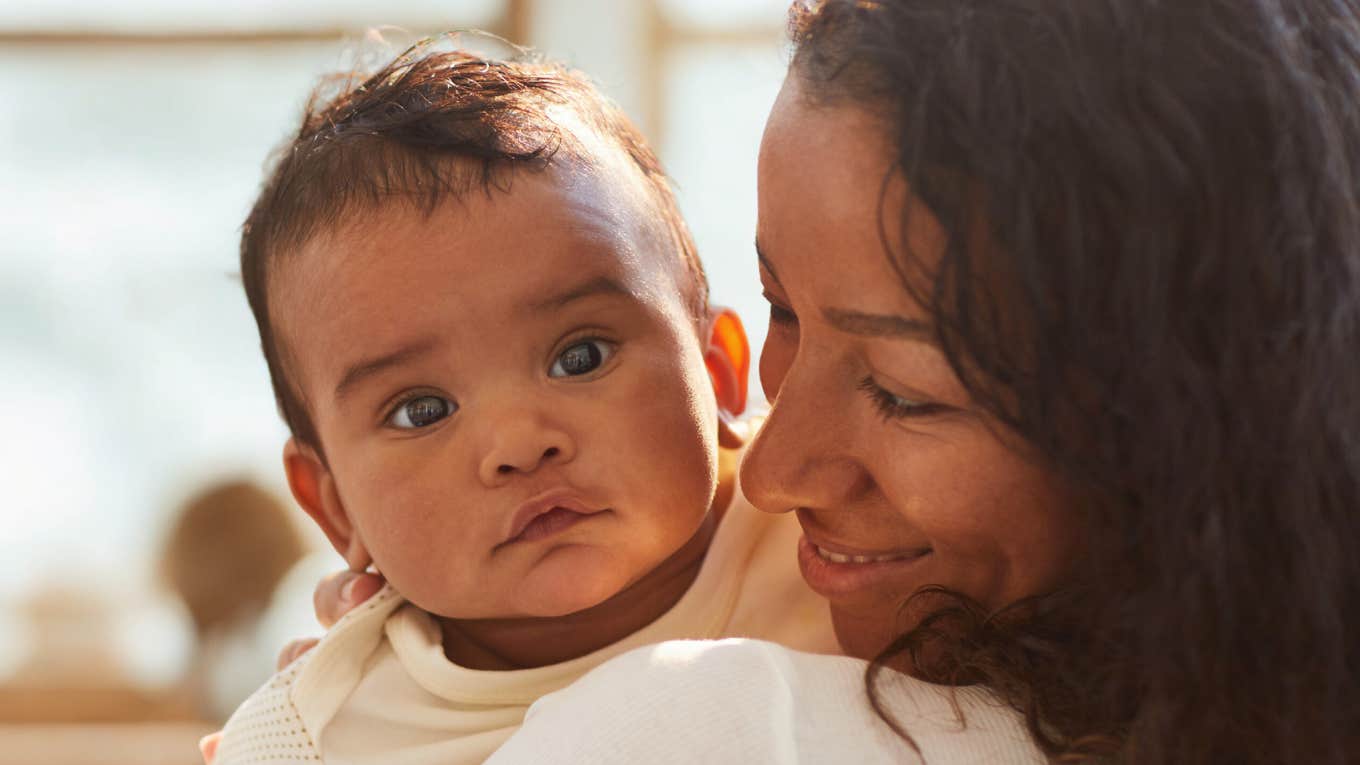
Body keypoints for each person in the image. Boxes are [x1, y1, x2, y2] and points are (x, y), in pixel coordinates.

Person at [280, 1, 1360, 763]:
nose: (768, 471)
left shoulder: (702, 726)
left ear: (1199, 432)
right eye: (783, 307)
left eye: (904, 389)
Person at [209, 39, 845, 765]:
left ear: (717, 371)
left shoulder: (832, 539)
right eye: (422, 410)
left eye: (580, 357)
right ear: (335, 508)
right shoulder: (320, 732)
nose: (518, 443)